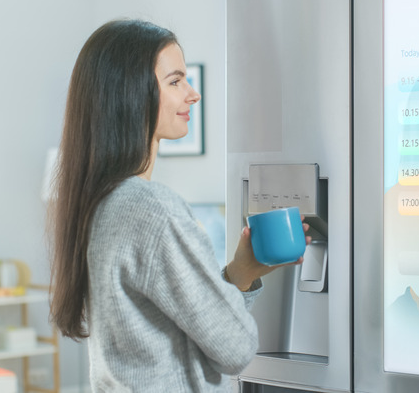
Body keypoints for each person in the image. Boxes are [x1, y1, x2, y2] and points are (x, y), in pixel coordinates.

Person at [47, 19, 305, 392]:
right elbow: (235, 348)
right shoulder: (152, 209)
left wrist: (240, 273)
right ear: (131, 94)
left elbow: (181, 335)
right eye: (175, 81)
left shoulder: (101, 204)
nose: (192, 94)